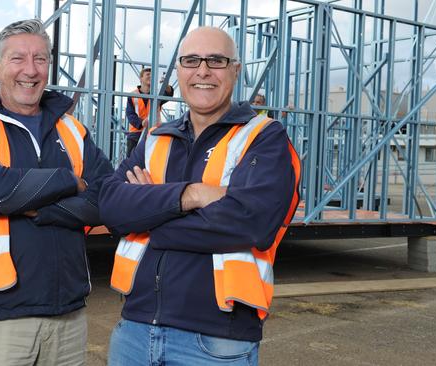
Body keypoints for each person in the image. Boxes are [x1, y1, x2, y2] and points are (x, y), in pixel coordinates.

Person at [99, 26, 301, 365]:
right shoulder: (155, 139)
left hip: (216, 341)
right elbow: (110, 206)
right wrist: (191, 196)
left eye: (216, 60)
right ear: (178, 71)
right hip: (134, 331)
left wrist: (148, 220)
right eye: (191, 60)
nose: (202, 71)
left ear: (235, 71)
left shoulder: (264, 138)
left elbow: (251, 223)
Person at [0, 19, 113, 365]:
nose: (31, 70)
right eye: (18, 59)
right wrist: (71, 182)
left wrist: (40, 208)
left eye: (40, 59)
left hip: (67, 314)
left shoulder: (72, 129)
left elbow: (106, 197)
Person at [125, 67, 174, 156]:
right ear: (141, 78)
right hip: (136, 134)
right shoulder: (132, 95)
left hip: (154, 132)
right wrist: (141, 123)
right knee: (132, 162)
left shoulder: (157, 94)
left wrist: (166, 86)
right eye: (147, 74)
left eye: (152, 75)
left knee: (152, 161)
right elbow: (130, 114)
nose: (150, 76)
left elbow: (169, 95)